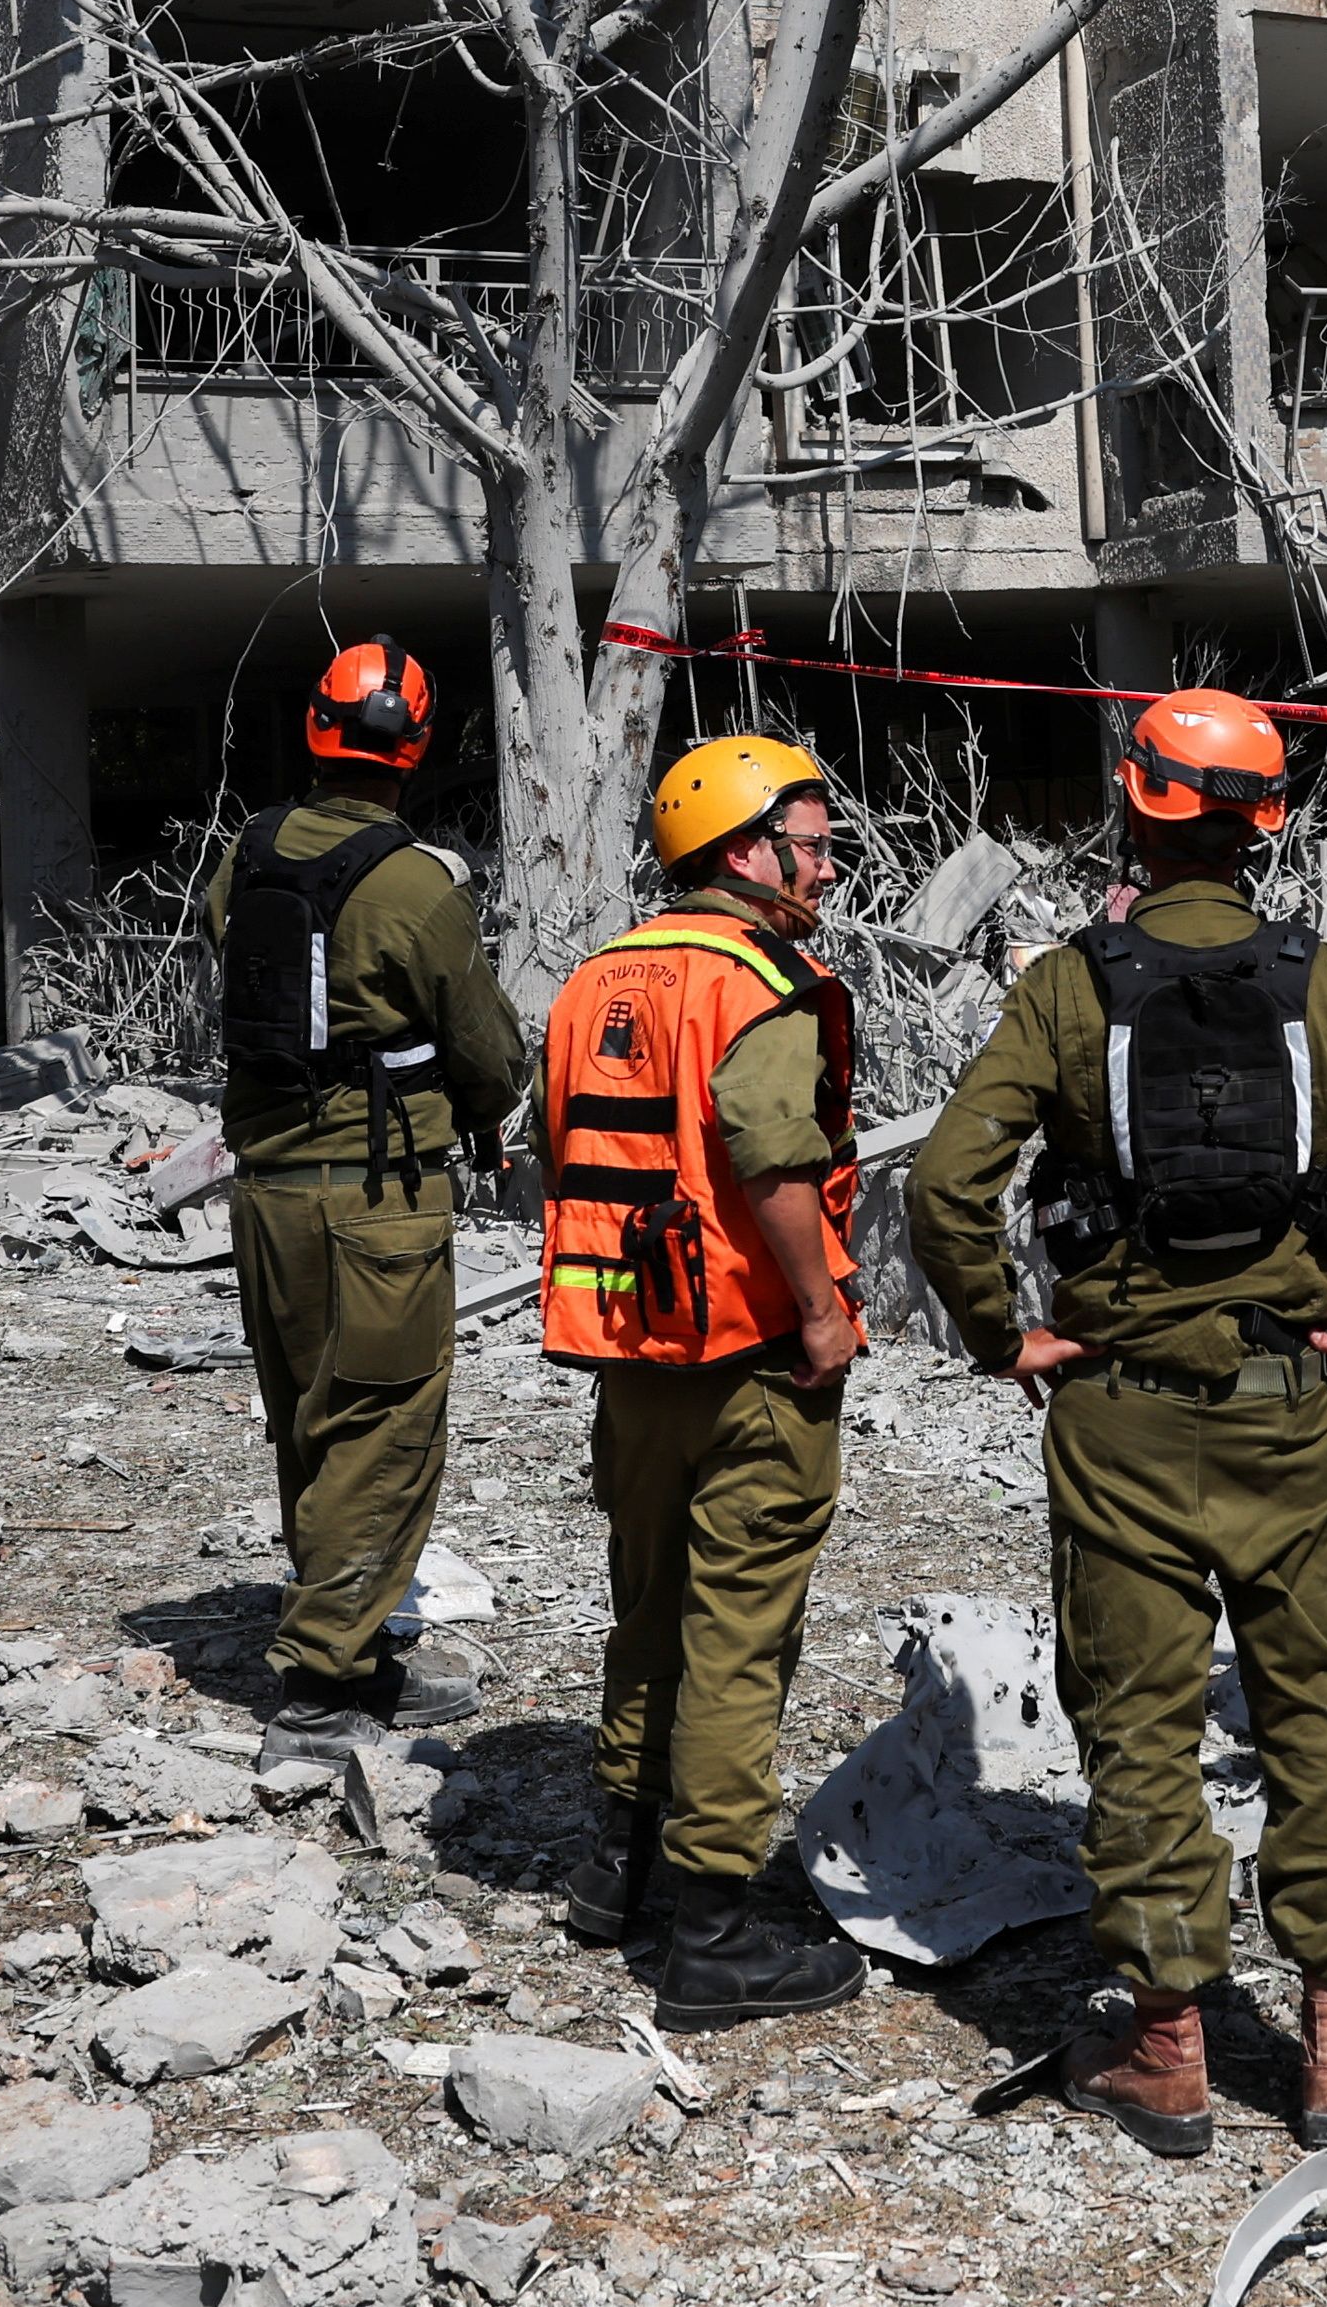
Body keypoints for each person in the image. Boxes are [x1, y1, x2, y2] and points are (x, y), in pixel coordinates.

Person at [908, 689, 1327, 2156]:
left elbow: (942, 1190)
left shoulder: (1066, 987)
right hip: (1294, 1417)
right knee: (1315, 1717)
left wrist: (1005, 1332)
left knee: (1143, 1729)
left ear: (1138, 802)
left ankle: (1168, 2045)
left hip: (1114, 1416)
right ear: (1268, 817)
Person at [540, 731, 875, 2028]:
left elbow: (558, 1146)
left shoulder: (594, 977)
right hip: (751, 1356)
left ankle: (610, 1869)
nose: (828, 862)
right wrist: (821, 1308)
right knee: (738, 1635)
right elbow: (773, 1158)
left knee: (647, 1606)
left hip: (629, 1357)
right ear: (745, 849)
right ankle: (715, 1929)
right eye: (813, 839)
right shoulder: (755, 980)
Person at [204, 642, 529, 1798]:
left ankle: (358, 1643)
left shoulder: (246, 854)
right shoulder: (412, 885)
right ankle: (318, 1689)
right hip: (376, 1203)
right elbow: (488, 1048)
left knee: (308, 1417)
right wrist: (489, 1104)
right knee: (382, 1429)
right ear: (413, 749)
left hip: (265, 1191)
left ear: (316, 729)